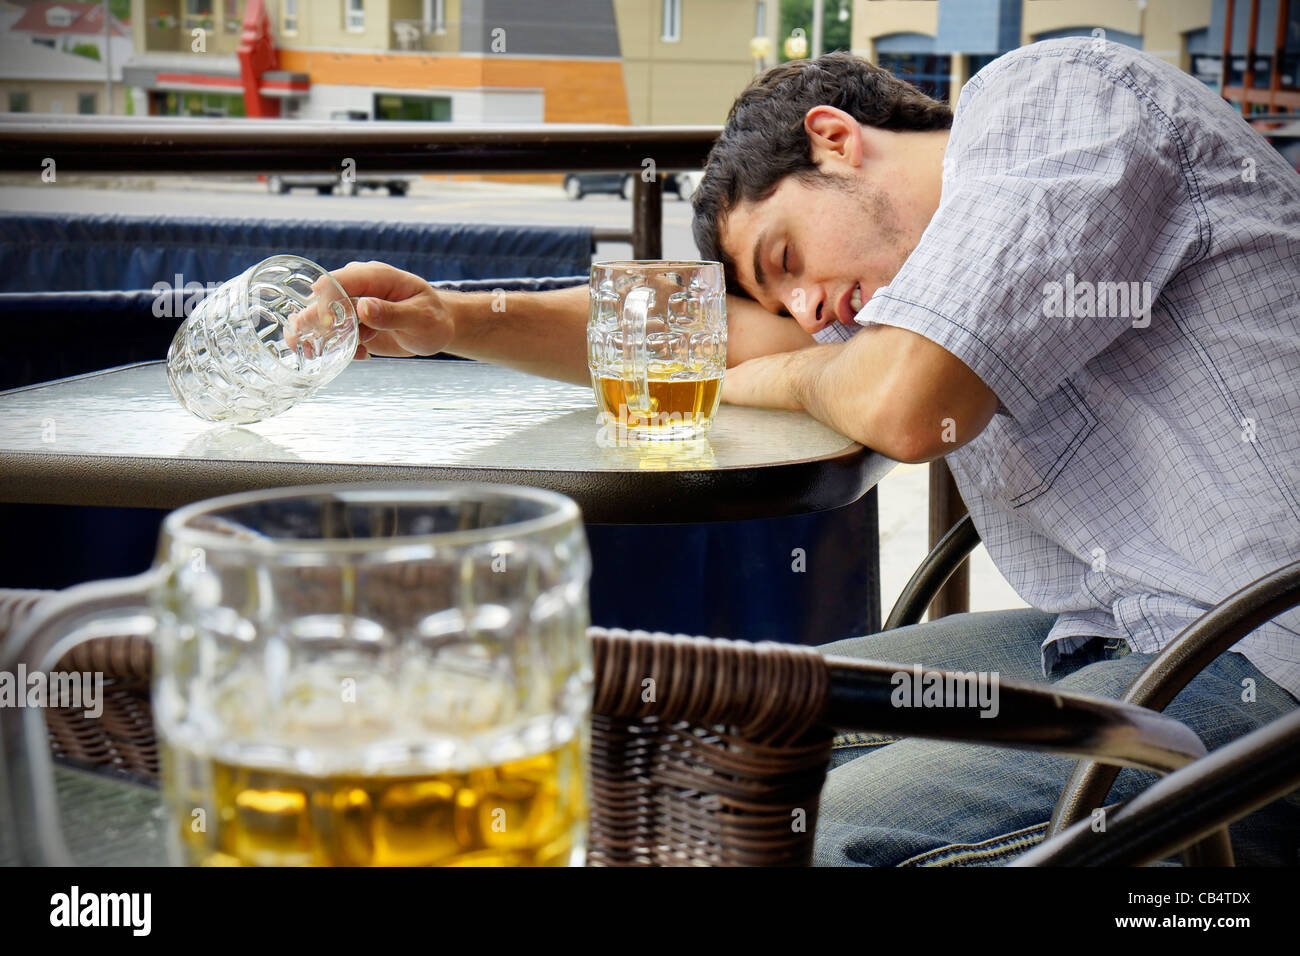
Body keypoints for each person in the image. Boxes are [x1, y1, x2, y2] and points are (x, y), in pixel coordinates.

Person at [330, 37, 1300, 865]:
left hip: (1267, 666)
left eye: (786, 259)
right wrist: (453, 314)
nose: (806, 310)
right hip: (1119, 635)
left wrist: (794, 372)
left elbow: (901, 403)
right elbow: (697, 335)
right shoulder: (902, 287)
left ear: (834, 139)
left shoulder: (1048, 99)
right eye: (782, 298)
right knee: (705, 742)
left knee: (780, 836)